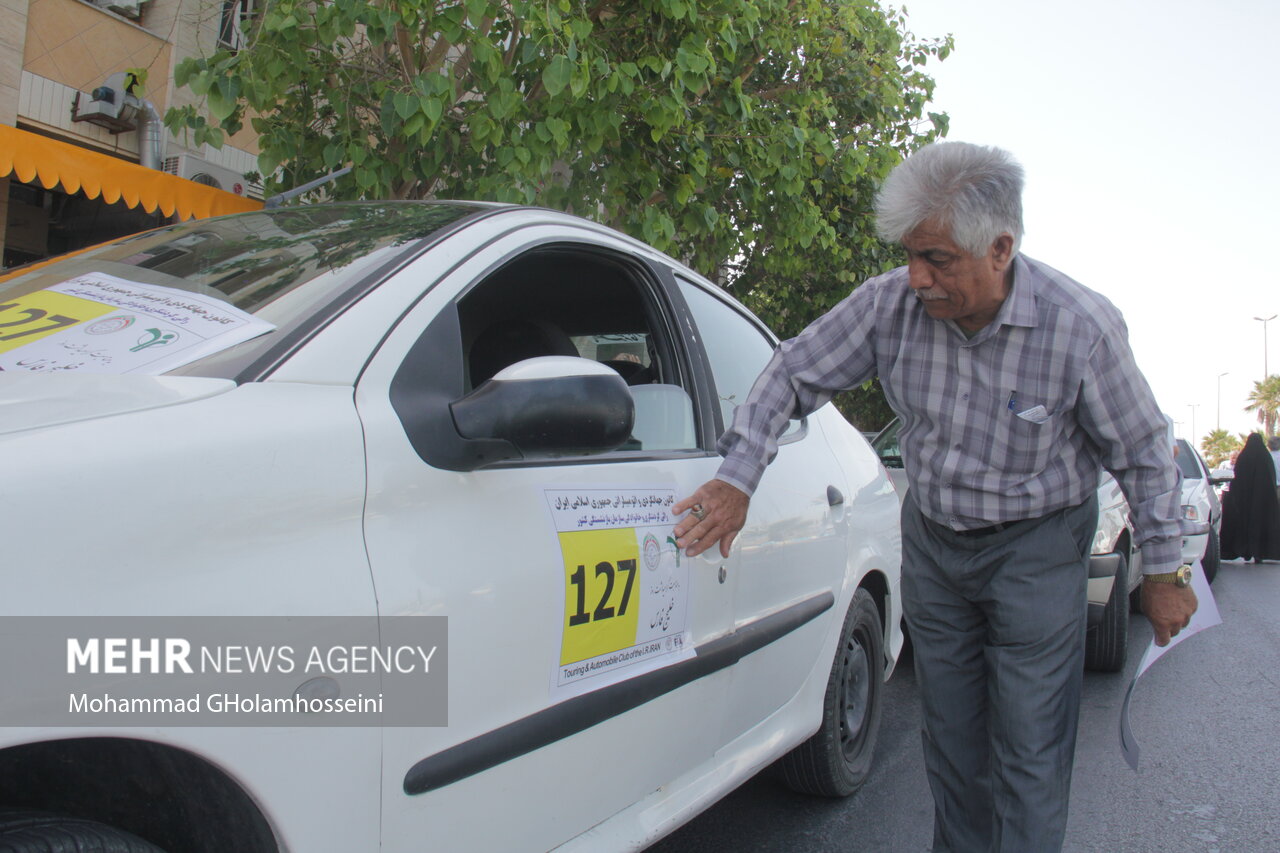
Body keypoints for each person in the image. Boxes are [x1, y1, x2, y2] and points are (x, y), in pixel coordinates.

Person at [672, 142, 1197, 853]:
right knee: (951, 744)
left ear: (1001, 248)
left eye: (938, 259)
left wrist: (1164, 571)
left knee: (1029, 745)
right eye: (910, 254)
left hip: (1038, 548)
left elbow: (1141, 450)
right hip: (938, 544)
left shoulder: (1081, 327)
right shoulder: (888, 306)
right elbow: (793, 372)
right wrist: (739, 475)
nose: (916, 277)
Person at [1219, 432, 1280, 562]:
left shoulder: (1243, 457)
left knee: (1244, 525)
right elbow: (1271, 480)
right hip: (1263, 502)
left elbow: (1237, 480)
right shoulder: (1265, 457)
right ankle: (1260, 552)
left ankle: (1245, 551)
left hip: (1244, 502)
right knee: (1261, 524)